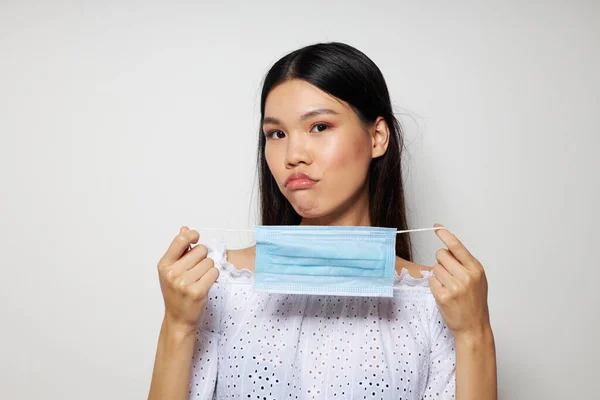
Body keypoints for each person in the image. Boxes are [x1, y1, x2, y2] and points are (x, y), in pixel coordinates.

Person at [147, 42, 497, 400]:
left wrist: (474, 333)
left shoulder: (436, 300)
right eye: (276, 134)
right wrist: (177, 326)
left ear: (377, 137)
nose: (293, 155)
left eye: (318, 126)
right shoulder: (215, 285)